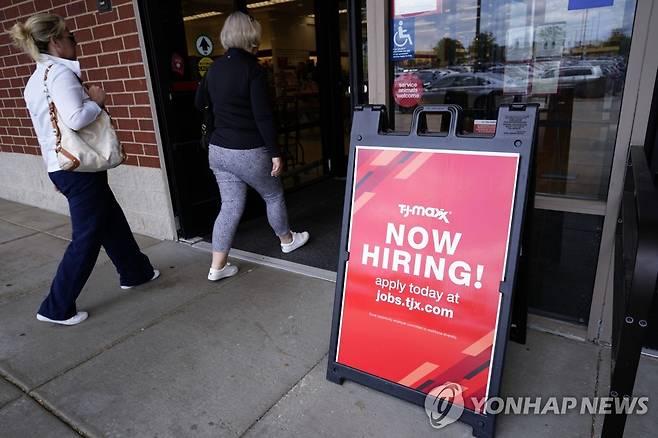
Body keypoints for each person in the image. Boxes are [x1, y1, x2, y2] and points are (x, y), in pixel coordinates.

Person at [9, 13, 159, 326]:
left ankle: (136, 272)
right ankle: (55, 307)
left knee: (110, 220)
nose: (75, 42)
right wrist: (98, 101)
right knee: (87, 237)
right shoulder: (59, 75)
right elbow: (76, 119)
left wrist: (55, 168)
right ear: (55, 41)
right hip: (78, 168)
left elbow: (45, 131)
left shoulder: (35, 80)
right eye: (71, 37)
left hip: (66, 165)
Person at [195, 11, 309, 282]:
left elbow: (200, 103)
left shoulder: (215, 68)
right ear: (251, 35)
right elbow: (262, 115)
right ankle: (287, 239)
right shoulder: (252, 69)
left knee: (230, 205)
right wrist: (275, 152)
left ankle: (217, 267)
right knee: (272, 195)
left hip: (219, 150)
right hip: (248, 149)